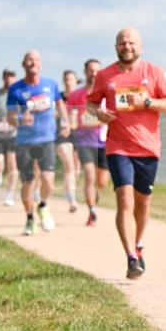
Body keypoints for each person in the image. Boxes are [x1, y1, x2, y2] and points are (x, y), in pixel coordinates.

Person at [88, 27, 166, 279]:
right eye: (121, 42)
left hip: (148, 148)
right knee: (125, 200)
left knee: (142, 203)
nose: (126, 46)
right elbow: (91, 102)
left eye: (131, 42)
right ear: (115, 46)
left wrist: (148, 102)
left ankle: (138, 244)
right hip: (118, 146)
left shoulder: (155, 73)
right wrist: (98, 113)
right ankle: (130, 258)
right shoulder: (105, 75)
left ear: (140, 46)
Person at [6, 50, 69, 235]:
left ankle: (43, 205)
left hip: (47, 139)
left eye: (36, 60)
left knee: (48, 179)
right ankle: (30, 218)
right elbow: (10, 116)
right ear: (23, 64)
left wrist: (65, 122)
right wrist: (19, 119)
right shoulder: (16, 89)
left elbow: (60, 105)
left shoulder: (50, 84)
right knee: (27, 182)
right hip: (25, 141)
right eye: (29, 60)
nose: (33, 62)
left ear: (41, 64)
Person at [68, 59, 108, 226]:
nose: (94, 74)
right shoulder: (76, 95)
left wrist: (99, 119)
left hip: (104, 141)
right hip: (84, 141)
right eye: (90, 70)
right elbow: (72, 118)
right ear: (85, 72)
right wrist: (74, 125)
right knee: (89, 176)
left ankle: (93, 195)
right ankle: (92, 210)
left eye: (97, 70)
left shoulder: (107, 93)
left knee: (102, 182)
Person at [0, 68, 19, 206]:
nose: (9, 79)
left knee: (13, 164)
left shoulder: (20, 95)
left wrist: (17, 123)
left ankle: (10, 194)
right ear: (3, 78)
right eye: (7, 76)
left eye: (12, 77)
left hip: (13, 134)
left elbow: (26, 113)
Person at [57, 69, 81, 212]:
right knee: (69, 164)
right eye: (66, 79)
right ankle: (72, 200)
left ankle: (68, 189)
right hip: (63, 135)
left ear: (76, 81)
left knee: (76, 169)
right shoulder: (59, 97)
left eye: (71, 79)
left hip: (79, 135)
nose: (68, 82)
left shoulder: (81, 96)